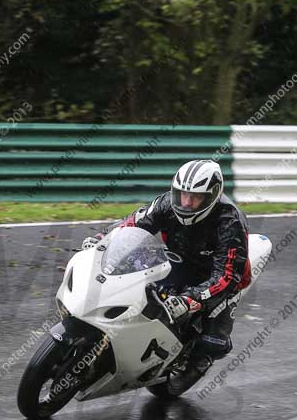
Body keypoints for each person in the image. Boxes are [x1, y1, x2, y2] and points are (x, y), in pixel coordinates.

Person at [82, 160, 252, 382]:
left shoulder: (230, 222)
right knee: (140, 289)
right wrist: (100, 240)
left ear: (213, 195)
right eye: (182, 194)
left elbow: (227, 276)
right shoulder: (166, 204)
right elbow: (133, 224)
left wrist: (191, 298)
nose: (186, 202)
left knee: (214, 343)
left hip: (217, 276)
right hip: (178, 259)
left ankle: (199, 360)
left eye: (195, 197)